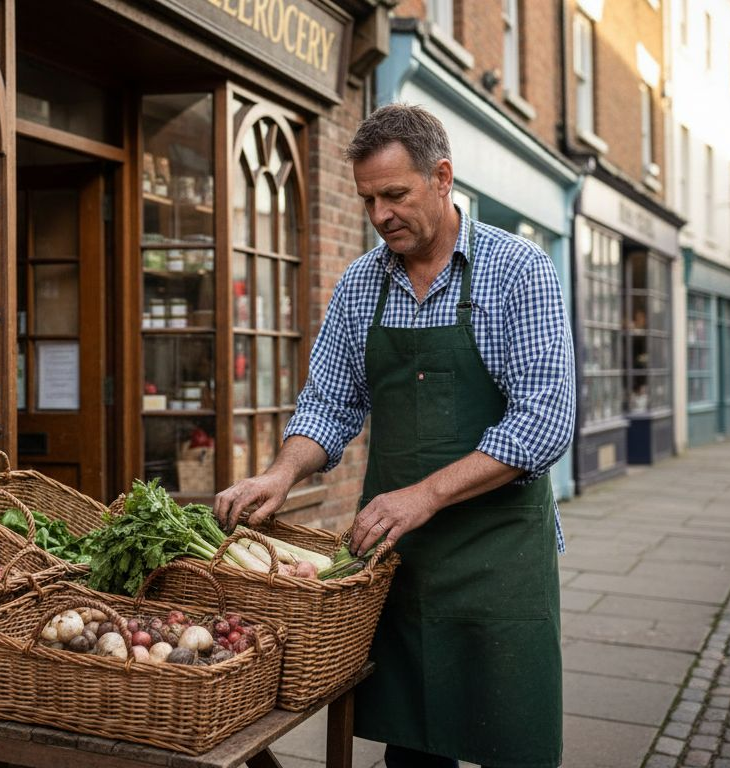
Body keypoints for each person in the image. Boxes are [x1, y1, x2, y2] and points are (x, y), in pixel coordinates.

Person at [214, 103, 575, 768]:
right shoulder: (360, 285)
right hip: (399, 562)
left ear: (442, 177)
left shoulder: (519, 271)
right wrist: (280, 474)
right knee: (412, 749)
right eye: (368, 200)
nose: (380, 215)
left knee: (512, 742)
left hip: (501, 559)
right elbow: (329, 403)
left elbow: (545, 420)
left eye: (395, 195)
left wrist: (424, 496)